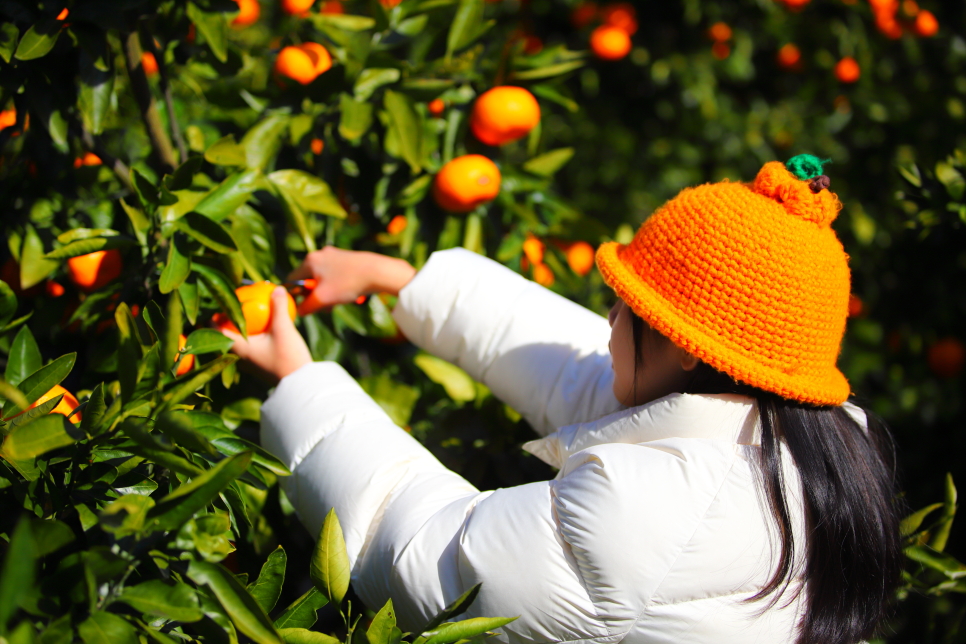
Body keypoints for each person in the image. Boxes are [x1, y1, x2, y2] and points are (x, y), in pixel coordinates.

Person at [224, 156, 902, 644]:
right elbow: (579, 372)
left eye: (628, 305)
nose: (608, 317)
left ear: (690, 347)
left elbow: (422, 556)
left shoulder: (648, 522)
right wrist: (403, 283)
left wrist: (298, 380)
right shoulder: (808, 449)